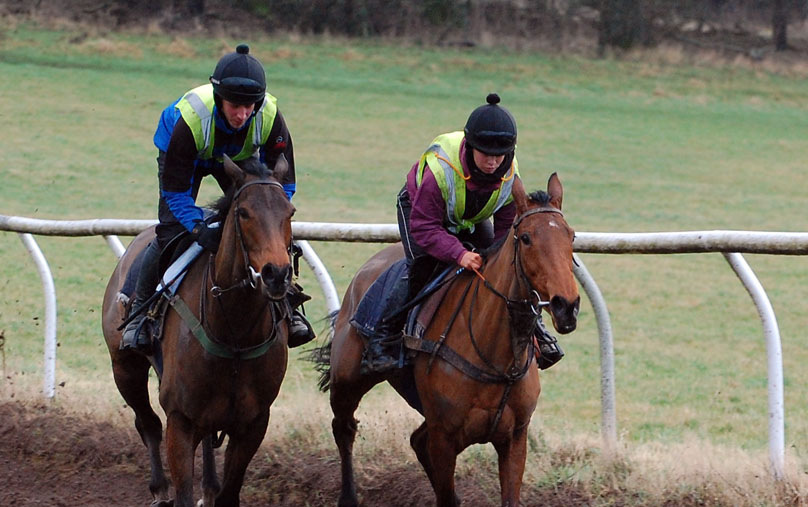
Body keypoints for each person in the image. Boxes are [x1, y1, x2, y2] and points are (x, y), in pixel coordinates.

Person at [121, 43, 315, 351]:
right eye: (234, 106)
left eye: (249, 107)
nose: (241, 115)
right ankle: (139, 313)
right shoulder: (190, 123)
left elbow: (282, 184)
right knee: (172, 231)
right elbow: (176, 192)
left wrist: (272, 213)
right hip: (188, 157)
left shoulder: (271, 118)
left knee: (268, 228)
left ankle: (288, 307)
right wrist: (198, 228)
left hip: (235, 159)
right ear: (219, 98)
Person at [364, 93, 563, 372]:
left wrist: (497, 257)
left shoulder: (510, 175)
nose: (493, 163)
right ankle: (382, 339)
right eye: (485, 154)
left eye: (499, 156)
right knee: (422, 267)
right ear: (470, 147)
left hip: (467, 215)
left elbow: (506, 232)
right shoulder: (440, 171)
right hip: (421, 211)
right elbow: (425, 228)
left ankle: (535, 330)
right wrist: (459, 254)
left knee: (506, 267)